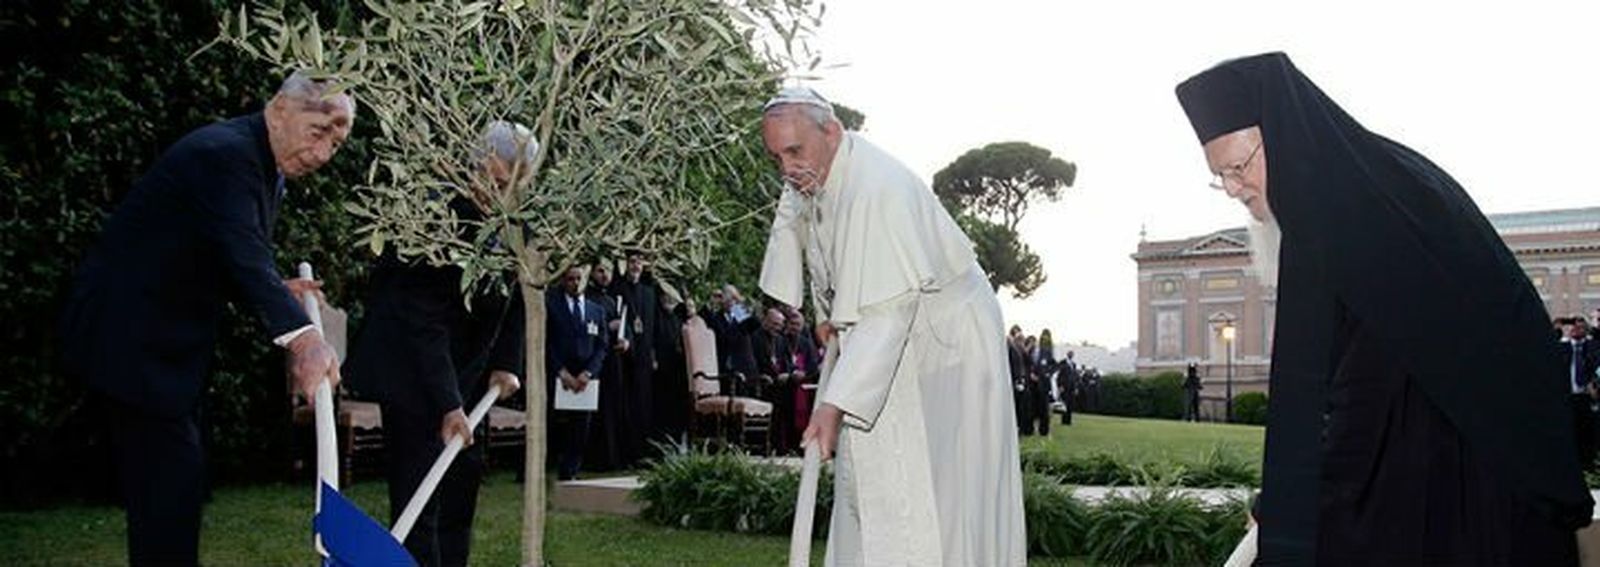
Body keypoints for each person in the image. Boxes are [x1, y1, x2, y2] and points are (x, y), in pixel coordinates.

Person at [1176, 52, 1591, 564]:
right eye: (1220, 177)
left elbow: (1364, 394)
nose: (1235, 190)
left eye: (1239, 168)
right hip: (1464, 458)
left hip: (1465, 480)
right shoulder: (1375, 182)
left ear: (1283, 135)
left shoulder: (1350, 216)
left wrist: (1289, 502)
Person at [58, 71, 351, 566]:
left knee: (176, 487)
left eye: (337, 143)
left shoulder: (261, 163)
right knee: (170, 488)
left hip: (161, 349)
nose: (324, 154)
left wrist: (276, 290)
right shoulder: (226, 155)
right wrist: (304, 340)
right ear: (279, 109)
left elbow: (216, 247)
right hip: (134, 343)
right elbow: (241, 251)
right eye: (318, 131)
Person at [759, 86, 1025, 566]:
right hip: (893, 333)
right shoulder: (814, 174)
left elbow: (887, 313)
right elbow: (816, 242)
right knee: (877, 475)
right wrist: (827, 319)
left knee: (945, 488)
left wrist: (835, 404)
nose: (786, 168)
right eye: (775, 156)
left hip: (950, 345)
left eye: (794, 151)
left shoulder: (878, 191)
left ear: (832, 132)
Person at [342, 120, 529, 566]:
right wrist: (447, 403)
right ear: (485, 164)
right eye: (508, 178)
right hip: (413, 375)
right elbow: (422, 320)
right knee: (419, 502)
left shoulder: (509, 219)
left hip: (465, 376)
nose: (513, 190)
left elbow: (522, 291)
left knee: (459, 492)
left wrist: (506, 363)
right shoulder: (432, 215)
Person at [544, 265, 610, 481]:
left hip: (586, 378)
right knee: (553, 425)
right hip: (559, 374)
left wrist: (588, 373)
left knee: (581, 428)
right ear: (563, 280)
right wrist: (561, 372)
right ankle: (539, 468)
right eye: (570, 278)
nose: (574, 283)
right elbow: (546, 342)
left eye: (578, 279)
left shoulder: (596, 310)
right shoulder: (551, 306)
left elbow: (602, 346)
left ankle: (570, 471)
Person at [609, 252, 660, 460]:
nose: (635, 265)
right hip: (623, 357)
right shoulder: (617, 289)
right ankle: (623, 453)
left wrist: (653, 354)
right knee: (624, 405)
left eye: (639, 262)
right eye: (632, 261)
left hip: (644, 357)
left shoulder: (649, 293)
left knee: (643, 406)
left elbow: (653, 327)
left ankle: (641, 453)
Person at [1560, 317, 1600, 471]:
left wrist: (1595, 384)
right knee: (1570, 432)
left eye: (1580, 327)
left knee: (1588, 433)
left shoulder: (1593, 347)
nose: (1576, 330)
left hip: (1588, 397)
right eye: (1573, 327)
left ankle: (1589, 466)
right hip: (1568, 397)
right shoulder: (1562, 348)